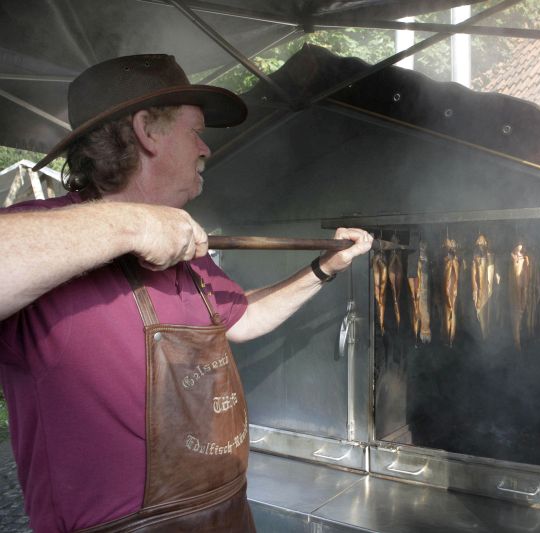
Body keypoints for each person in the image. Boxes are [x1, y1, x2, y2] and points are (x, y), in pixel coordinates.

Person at [0, 54, 373, 532]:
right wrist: (132, 224)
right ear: (147, 132)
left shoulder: (185, 253)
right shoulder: (38, 235)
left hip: (227, 516)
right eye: (195, 131)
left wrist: (324, 268)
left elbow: (243, 319)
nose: (206, 149)